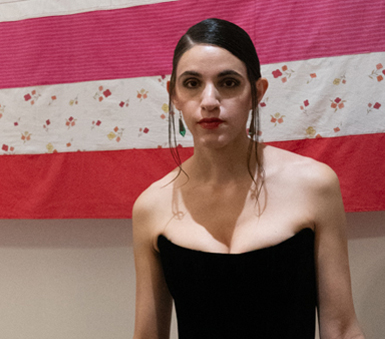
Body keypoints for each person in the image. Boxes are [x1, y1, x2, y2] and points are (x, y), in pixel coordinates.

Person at [131, 18, 365, 339]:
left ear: (257, 92)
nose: (209, 101)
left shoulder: (314, 185)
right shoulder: (151, 206)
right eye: (192, 83)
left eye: (228, 83)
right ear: (174, 94)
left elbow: (342, 329)